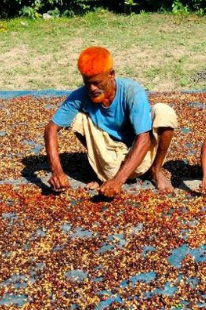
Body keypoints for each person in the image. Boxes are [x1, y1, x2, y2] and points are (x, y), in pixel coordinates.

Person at [44, 46, 178, 198]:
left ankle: (156, 170)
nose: (92, 89)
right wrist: (57, 171)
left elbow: (144, 139)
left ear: (111, 75)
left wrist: (118, 181)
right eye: (87, 83)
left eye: (97, 83)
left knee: (164, 111)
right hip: (110, 155)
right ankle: (98, 171)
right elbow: (51, 128)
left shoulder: (132, 91)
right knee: (78, 118)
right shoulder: (80, 96)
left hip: (142, 151)